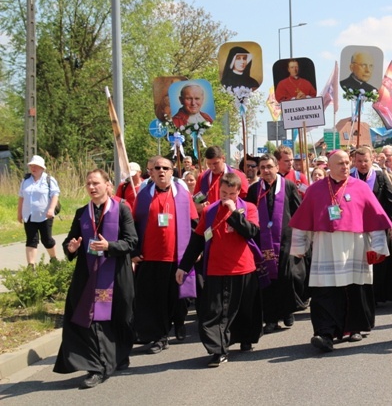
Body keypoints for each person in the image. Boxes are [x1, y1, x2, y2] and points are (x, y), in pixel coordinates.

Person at [289, 150, 392, 352]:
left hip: (355, 246)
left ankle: (355, 327)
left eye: (347, 162)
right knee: (325, 291)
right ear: (329, 166)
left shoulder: (361, 188)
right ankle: (324, 333)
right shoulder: (315, 189)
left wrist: (378, 246)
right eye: (340, 163)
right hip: (324, 247)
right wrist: (299, 247)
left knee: (354, 288)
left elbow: (375, 219)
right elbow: (302, 222)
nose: (345, 166)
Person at [53, 169, 137, 388]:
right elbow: (71, 242)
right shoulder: (82, 212)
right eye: (88, 183)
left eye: (96, 183)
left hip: (116, 274)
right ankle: (97, 367)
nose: (92, 187)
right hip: (89, 275)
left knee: (121, 316)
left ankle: (119, 354)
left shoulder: (121, 210)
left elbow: (132, 241)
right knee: (92, 319)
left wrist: (110, 246)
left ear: (107, 185)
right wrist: (70, 248)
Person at [176, 173, 263, 367]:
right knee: (215, 312)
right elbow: (197, 240)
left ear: (239, 192)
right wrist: (184, 266)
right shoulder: (209, 211)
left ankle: (244, 338)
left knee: (243, 310)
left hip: (243, 268)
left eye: (231, 193)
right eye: (224, 192)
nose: (227, 197)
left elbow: (252, 232)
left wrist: (233, 213)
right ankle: (218, 350)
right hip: (217, 269)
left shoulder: (248, 208)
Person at [132, 157, 198, 353]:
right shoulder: (143, 196)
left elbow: (194, 224)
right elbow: (133, 225)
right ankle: (160, 337)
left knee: (179, 297)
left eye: (165, 168)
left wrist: (196, 251)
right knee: (156, 299)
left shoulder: (183, 195)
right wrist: (134, 251)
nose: (161, 171)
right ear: (151, 172)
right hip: (151, 256)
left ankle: (179, 322)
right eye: (157, 168)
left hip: (177, 256)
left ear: (172, 171)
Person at [246, 154, 306, 333]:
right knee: (266, 279)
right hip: (262, 240)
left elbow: (297, 210)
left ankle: (287, 311)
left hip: (285, 239)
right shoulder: (254, 189)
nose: (266, 170)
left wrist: (301, 235)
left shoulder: (287, 186)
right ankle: (271, 319)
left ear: (276, 168)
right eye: (262, 167)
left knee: (286, 277)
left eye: (269, 167)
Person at [351, 147, 392, 304]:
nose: (363, 164)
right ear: (354, 161)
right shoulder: (349, 178)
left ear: (372, 160)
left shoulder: (380, 177)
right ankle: (363, 294)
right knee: (360, 259)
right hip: (356, 226)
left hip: (378, 225)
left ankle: (378, 294)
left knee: (378, 260)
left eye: (366, 161)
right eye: (359, 161)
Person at [18, 155, 60, 268]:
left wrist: (51, 209)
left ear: (42, 168)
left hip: (45, 216)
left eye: (36, 166)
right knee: (31, 239)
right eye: (32, 166)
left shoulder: (49, 180)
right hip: (29, 216)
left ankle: (53, 258)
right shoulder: (25, 181)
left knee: (47, 240)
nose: (33, 168)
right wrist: (19, 213)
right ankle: (31, 265)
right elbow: (21, 197)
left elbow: (55, 195)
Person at [195, 146, 249, 211]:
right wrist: (200, 207)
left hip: (230, 217)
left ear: (223, 158)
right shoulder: (203, 177)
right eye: (209, 164)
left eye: (215, 163)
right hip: (210, 218)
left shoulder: (238, 176)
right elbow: (195, 201)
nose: (212, 167)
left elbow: (245, 203)